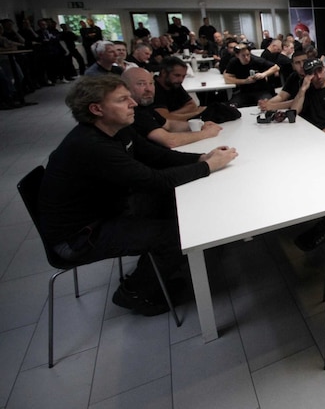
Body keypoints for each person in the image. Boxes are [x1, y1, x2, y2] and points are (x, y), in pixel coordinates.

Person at [39, 76, 237, 316]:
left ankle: (161, 271)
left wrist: (201, 158)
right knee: (176, 235)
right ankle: (133, 292)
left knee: (170, 205)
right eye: (123, 99)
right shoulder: (91, 146)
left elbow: (156, 156)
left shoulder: (117, 130)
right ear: (96, 109)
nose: (133, 103)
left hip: (104, 211)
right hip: (80, 237)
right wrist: (209, 166)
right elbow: (155, 181)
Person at [123, 67, 222, 148]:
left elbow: (169, 125)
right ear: (125, 87)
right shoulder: (132, 113)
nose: (149, 89)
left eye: (151, 83)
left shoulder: (145, 107)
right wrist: (206, 133)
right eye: (141, 84)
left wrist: (200, 125)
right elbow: (170, 141)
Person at [291, 58, 325, 134]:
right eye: (314, 74)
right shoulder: (306, 89)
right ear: (307, 76)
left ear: (324, 69)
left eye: (320, 71)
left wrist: (322, 133)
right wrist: (303, 89)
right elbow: (294, 112)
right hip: (309, 130)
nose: (319, 76)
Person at [153, 56, 207, 121]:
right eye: (177, 75)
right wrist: (197, 113)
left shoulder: (174, 84)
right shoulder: (152, 88)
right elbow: (163, 119)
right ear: (164, 72)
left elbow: (192, 105)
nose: (181, 80)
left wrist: (170, 115)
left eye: (183, 76)